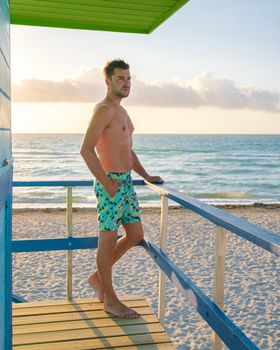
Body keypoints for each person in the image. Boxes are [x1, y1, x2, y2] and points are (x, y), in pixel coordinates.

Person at [80, 59, 164, 319]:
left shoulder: (123, 112)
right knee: (106, 242)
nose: (126, 83)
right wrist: (107, 183)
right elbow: (86, 150)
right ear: (107, 81)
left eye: (128, 79)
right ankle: (110, 300)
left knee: (135, 234)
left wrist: (146, 175)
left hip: (125, 183)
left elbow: (127, 150)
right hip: (110, 184)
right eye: (120, 79)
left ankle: (97, 278)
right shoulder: (103, 110)